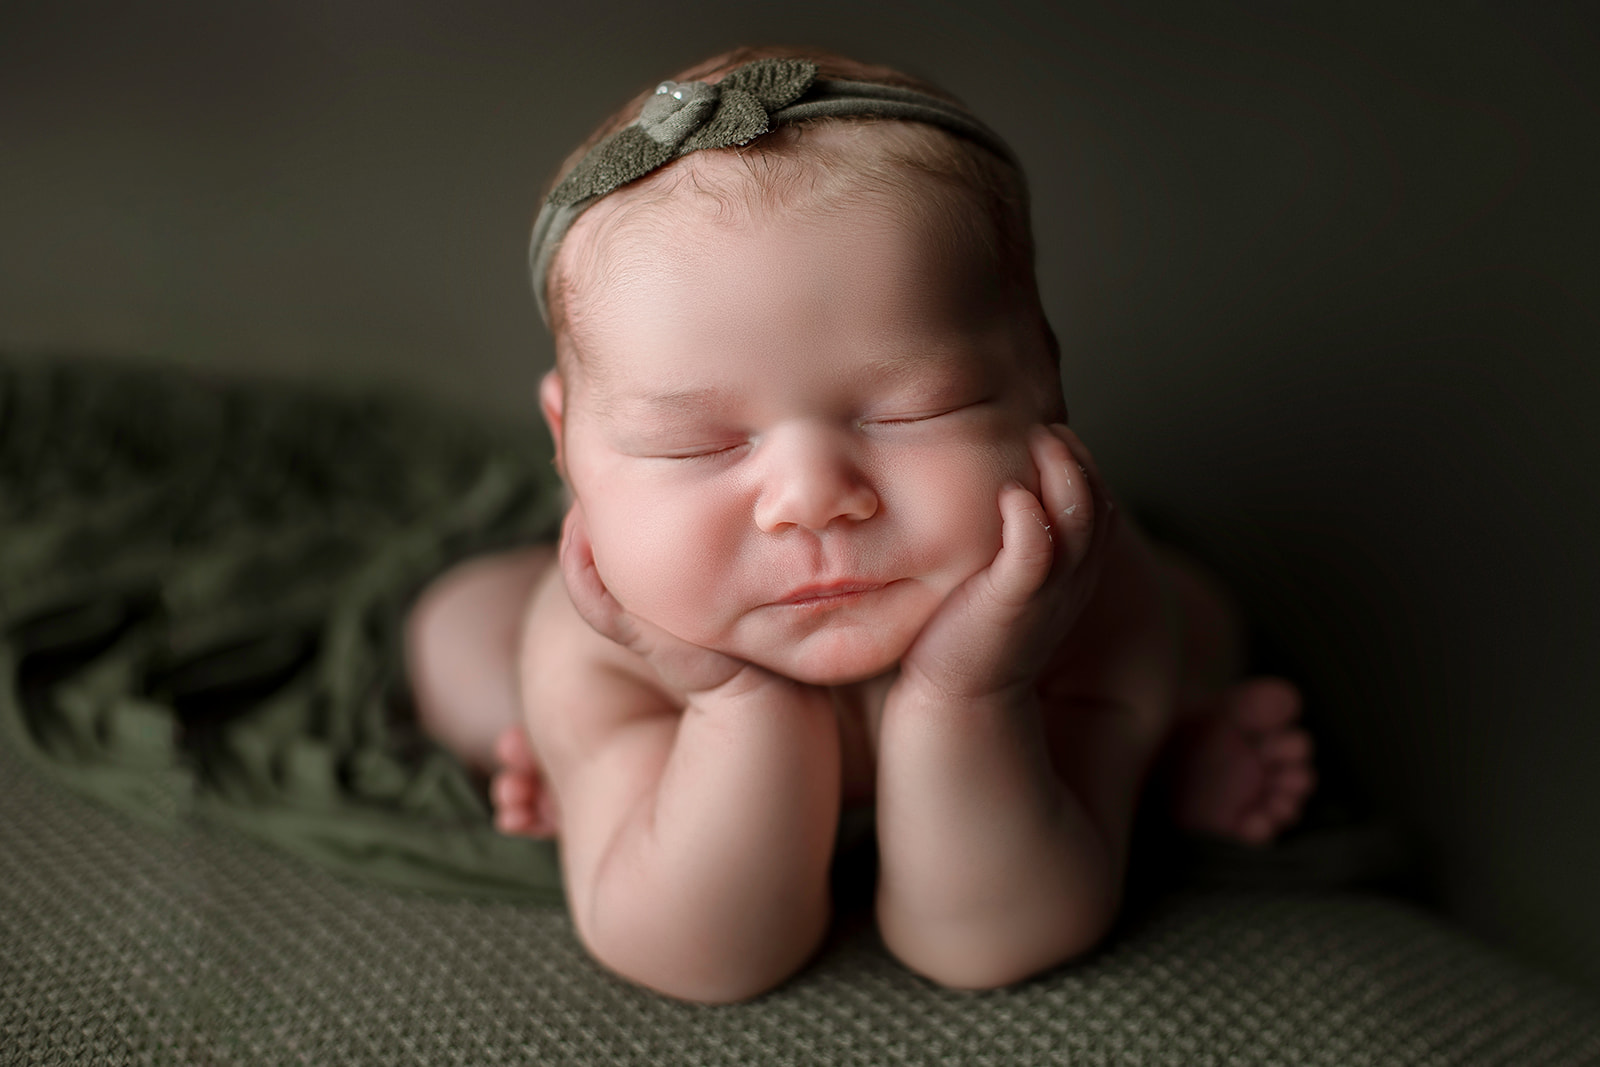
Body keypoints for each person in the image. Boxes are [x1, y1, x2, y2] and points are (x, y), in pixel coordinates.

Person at [404, 46, 1315, 1003]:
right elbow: (703, 957)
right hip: (648, 671)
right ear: (567, 440)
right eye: (693, 445)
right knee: (460, 644)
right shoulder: (609, 639)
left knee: (1200, 619)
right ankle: (592, 774)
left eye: (913, 410)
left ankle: (1139, 764)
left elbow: (990, 943)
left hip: (1048, 666)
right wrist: (727, 700)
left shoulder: (1087, 604)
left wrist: (970, 692)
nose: (810, 498)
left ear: (1041, 376)